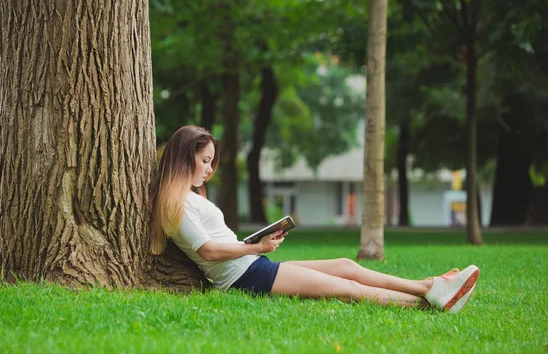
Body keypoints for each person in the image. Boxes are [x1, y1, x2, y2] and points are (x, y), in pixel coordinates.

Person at [148, 126, 480, 313]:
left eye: (211, 162)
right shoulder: (176, 203)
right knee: (346, 288)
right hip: (245, 277)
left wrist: (256, 246)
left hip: (251, 268)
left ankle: (430, 287)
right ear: (184, 156)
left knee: (346, 266)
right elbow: (207, 252)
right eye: (205, 161)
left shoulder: (189, 198)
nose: (209, 169)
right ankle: (429, 300)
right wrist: (255, 248)